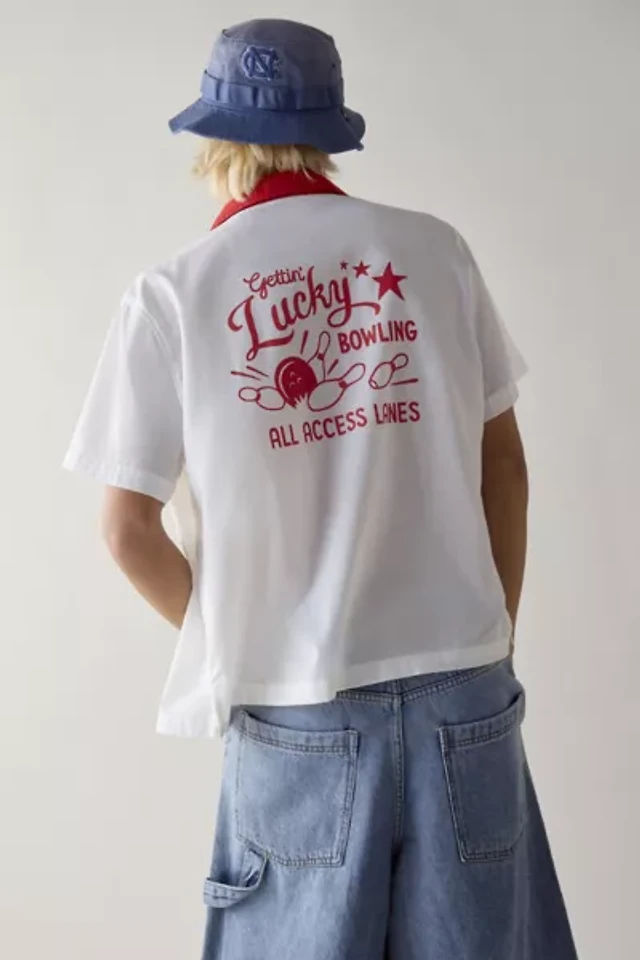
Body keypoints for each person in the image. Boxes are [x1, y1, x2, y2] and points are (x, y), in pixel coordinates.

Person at [64, 18, 578, 960]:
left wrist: (237, 642)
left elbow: (126, 529)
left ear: (216, 142)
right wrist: (491, 634)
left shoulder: (173, 295)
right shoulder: (435, 252)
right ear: (332, 129)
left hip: (301, 704)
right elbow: (504, 464)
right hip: (463, 695)